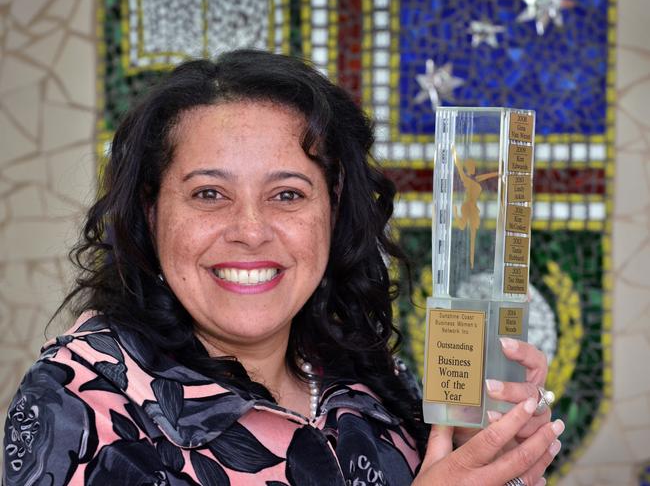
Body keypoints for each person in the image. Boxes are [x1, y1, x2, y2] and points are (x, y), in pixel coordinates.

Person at [3, 49, 562, 486]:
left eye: (288, 195)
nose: (250, 229)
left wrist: (480, 448)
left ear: (333, 208)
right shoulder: (79, 402)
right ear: (151, 212)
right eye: (209, 194)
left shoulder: (365, 376)